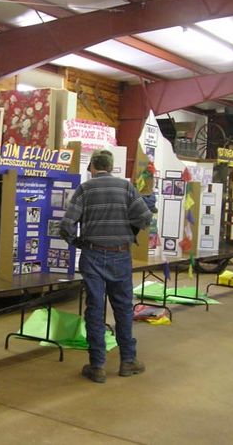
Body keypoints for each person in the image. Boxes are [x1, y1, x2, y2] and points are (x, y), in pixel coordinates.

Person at [59, 149, 152, 383]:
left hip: (92, 255)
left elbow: (67, 225)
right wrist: (127, 229)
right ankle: (128, 361)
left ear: (92, 166)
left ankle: (97, 365)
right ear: (111, 167)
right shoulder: (126, 187)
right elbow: (145, 218)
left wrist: (78, 242)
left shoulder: (84, 189)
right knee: (122, 308)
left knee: (95, 310)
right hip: (121, 256)